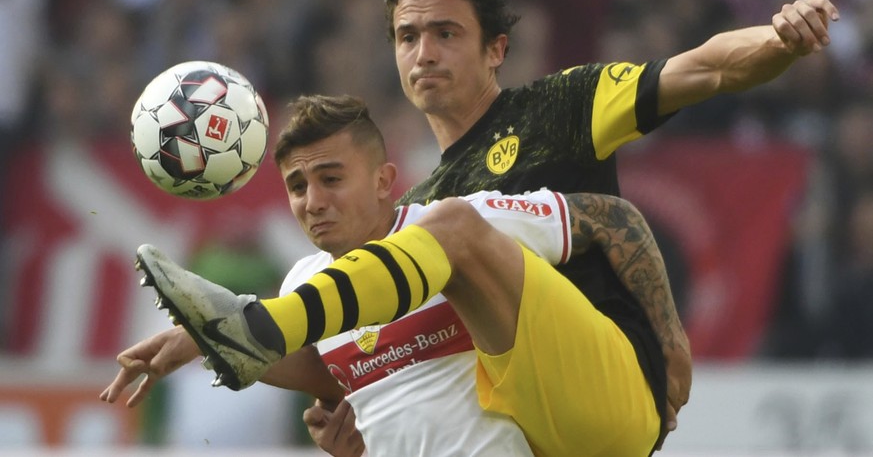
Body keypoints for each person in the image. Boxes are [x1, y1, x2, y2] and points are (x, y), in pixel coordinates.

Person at [298, 0, 837, 457]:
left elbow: (704, 68)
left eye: (445, 33)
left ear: (496, 49)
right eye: (407, 36)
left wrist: (777, 39)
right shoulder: (418, 208)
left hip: (594, 397)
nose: (425, 54)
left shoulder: (562, 107)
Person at [102, 94, 682, 456]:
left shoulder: (459, 225)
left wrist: (668, 341)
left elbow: (612, 219)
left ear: (384, 181)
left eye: (332, 178)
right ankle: (250, 323)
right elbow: (332, 378)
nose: (313, 201)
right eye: (298, 187)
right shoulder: (309, 280)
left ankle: (255, 321)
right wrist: (193, 342)